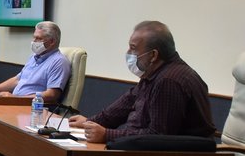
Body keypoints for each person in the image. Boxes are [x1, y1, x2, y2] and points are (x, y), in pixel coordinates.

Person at [69, 21, 215, 143]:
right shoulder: (154, 74)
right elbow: (122, 107)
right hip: (144, 154)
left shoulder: (169, 81)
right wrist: (90, 122)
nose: (128, 53)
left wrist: (107, 135)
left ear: (153, 55)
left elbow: (158, 136)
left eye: (133, 48)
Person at [0, 21, 70, 104]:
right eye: (34, 37)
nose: (34, 41)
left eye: (39, 38)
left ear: (52, 42)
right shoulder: (34, 56)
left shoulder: (59, 62)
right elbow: (17, 80)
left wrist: (15, 99)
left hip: (34, 109)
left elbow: (52, 95)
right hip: (16, 103)